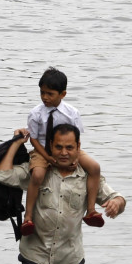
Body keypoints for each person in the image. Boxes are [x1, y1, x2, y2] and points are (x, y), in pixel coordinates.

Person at [0, 124, 126, 264]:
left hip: (69, 258)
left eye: (69, 147)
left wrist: (116, 204)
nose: (64, 152)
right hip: (35, 253)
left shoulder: (88, 177)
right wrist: (16, 143)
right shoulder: (37, 172)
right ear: (49, 146)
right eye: (58, 147)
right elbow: (2, 175)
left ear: (78, 147)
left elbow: (116, 197)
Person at [22, 67, 103, 237]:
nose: (45, 97)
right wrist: (48, 158)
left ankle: (90, 210)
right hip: (43, 150)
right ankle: (28, 217)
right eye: (42, 93)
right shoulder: (36, 113)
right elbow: (34, 140)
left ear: (63, 94)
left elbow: (77, 139)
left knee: (94, 167)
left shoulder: (72, 113)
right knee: (37, 175)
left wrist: (74, 156)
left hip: (68, 149)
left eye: (50, 94)